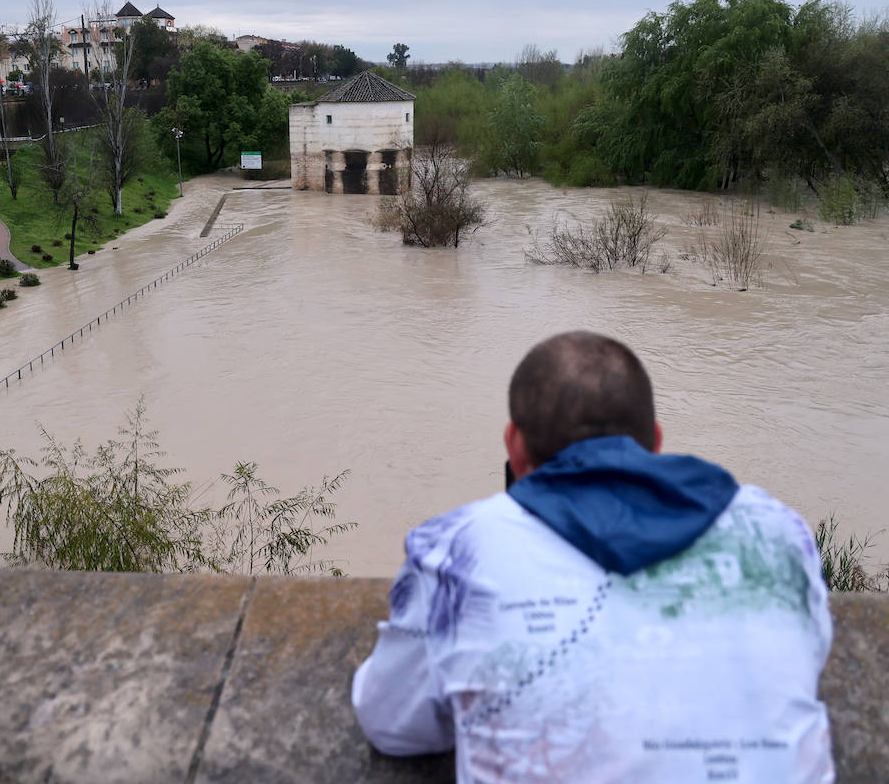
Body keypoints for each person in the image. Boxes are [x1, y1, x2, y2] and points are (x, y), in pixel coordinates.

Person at [352, 331, 834, 783]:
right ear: (656, 441)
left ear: (514, 446)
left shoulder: (458, 546)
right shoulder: (776, 528)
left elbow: (393, 725)